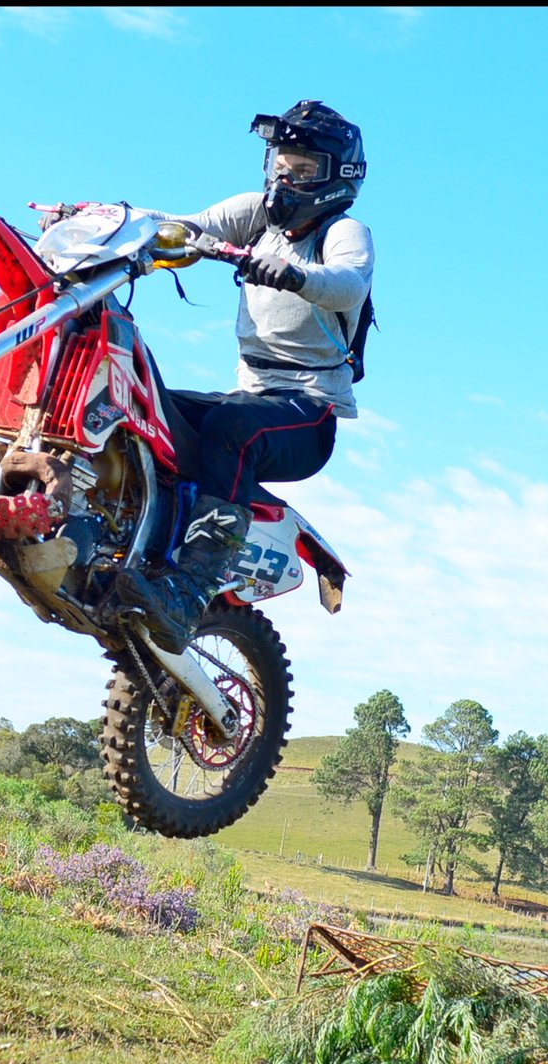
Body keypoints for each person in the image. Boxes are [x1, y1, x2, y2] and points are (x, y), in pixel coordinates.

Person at [115, 99, 374, 653]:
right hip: (249, 395)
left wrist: (296, 275)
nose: (286, 179)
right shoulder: (254, 214)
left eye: (304, 169)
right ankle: (137, 537)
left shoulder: (345, 231)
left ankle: (191, 588)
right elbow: (187, 226)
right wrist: (111, 219)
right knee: (143, 398)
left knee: (231, 429)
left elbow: (348, 283)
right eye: (281, 165)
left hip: (309, 412)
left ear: (339, 176)